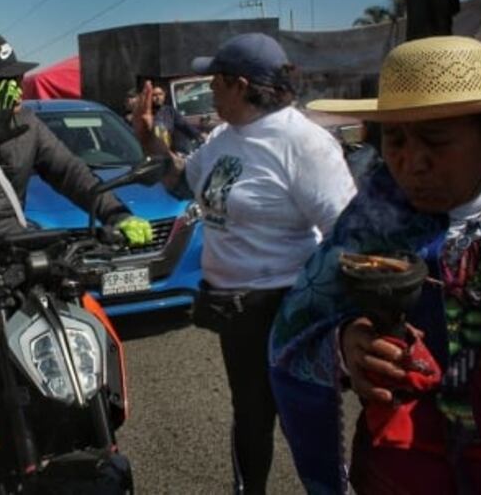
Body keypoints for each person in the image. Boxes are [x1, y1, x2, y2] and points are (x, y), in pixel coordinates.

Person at [0, 32, 154, 495]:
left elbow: (71, 171)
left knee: (82, 331)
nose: (16, 87)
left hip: (18, 258)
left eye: (18, 76)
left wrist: (116, 212)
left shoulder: (28, 123)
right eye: (4, 81)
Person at [270, 36, 481, 494]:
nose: (412, 162)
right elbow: (295, 331)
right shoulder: (374, 217)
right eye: (394, 139)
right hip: (405, 470)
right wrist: (346, 346)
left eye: (435, 140)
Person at [133, 33, 356, 495]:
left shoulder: (304, 144)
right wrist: (148, 139)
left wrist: (343, 322)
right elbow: (182, 183)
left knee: (306, 421)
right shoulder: (222, 137)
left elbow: (346, 235)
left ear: (239, 84)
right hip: (235, 314)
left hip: (287, 309)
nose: (208, 89)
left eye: (213, 80)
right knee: (251, 418)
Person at [139, 77, 203, 154]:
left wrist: (198, 134)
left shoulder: (170, 112)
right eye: (154, 95)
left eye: (160, 94)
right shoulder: (145, 114)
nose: (158, 98)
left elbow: (184, 125)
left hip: (169, 153)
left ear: (164, 95)